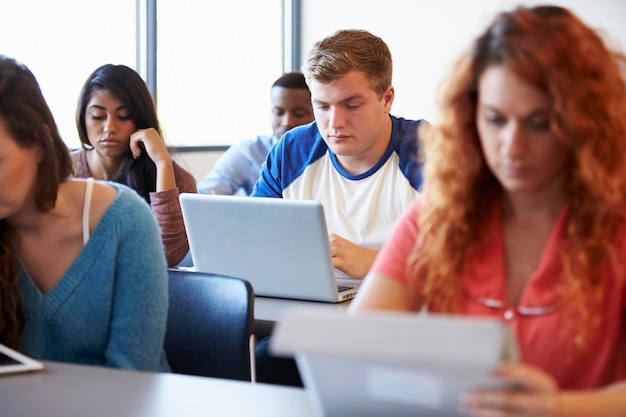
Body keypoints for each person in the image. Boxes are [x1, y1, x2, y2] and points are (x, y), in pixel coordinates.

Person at [350, 5, 626, 416]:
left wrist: (561, 408)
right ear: (469, 117)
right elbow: (356, 347)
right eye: (495, 119)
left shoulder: (616, 222)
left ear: (584, 122)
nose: (512, 147)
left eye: (539, 122)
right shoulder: (441, 213)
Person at [0, 55, 170, 371]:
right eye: (98, 116)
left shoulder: (125, 220)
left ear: (38, 142)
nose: (109, 128)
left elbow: (132, 375)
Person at [252, 29, 425, 279]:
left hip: (405, 307)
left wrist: (375, 262)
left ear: (387, 99)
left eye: (352, 106)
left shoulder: (429, 151)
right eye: (322, 106)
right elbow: (253, 237)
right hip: (306, 302)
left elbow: (467, 260)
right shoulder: (292, 151)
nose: (335, 122)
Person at [73, 64, 196, 267]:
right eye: (98, 116)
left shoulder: (176, 179)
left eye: (123, 116)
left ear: (140, 119)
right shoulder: (63, 171)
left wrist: (162, 163)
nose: (109, 128)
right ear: (83, 118)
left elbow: (168, 256)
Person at [197, 72, 314, 196]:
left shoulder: (327, 154)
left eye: (299, 114)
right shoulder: (248, 152)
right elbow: (205, 195)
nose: (287, 122)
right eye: (279, 112)